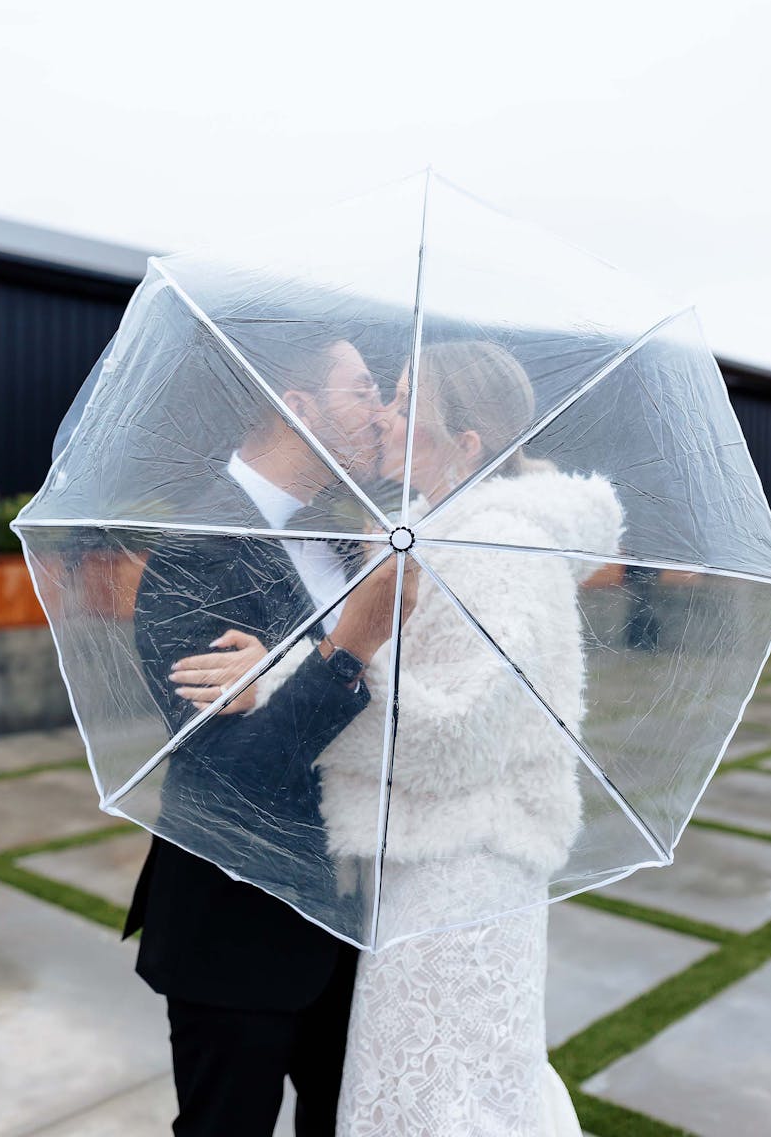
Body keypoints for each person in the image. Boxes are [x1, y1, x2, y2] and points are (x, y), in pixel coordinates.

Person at [183, 339, 623, 1136]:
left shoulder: (505, 549)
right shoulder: (417, 534)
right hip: (403, 869)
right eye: (374, 392)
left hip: (461, 874)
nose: (384, 411)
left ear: (465, 444)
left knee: (441, 1101)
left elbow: (458, 736)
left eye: (403, 399)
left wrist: (284, 676)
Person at [124, 323, 417, 1137]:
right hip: (239, 924)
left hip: (352, 917)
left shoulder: (348, 530)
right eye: (361, 389)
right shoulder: (197, 551)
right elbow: (235, 771)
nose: (380, 409)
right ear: (297, 404)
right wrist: (353, 641)